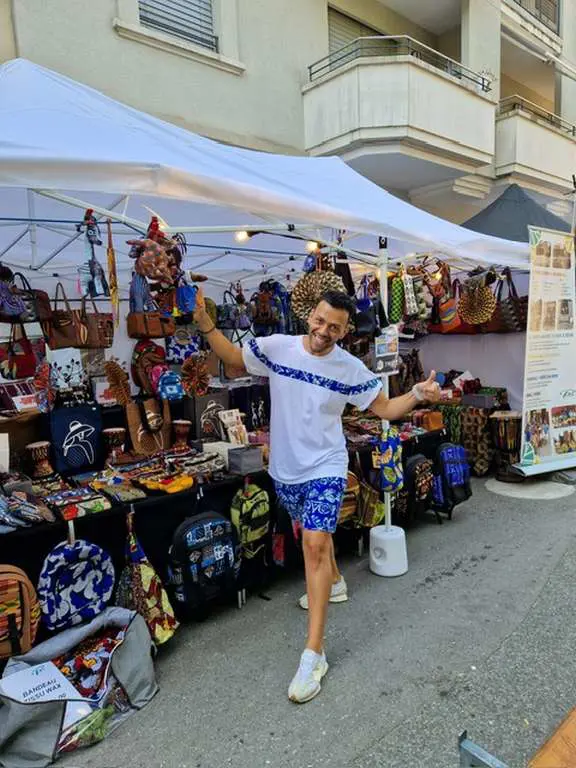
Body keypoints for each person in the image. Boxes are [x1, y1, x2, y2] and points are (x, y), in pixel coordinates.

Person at [194, 288, 440, 704]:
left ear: (345, 331)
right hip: (285, 470)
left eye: (335, 328)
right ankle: (335, 581)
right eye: (321, 321)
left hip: (326, 465)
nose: (324, 331)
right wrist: (205, 325)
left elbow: (383, 409)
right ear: (310, 315)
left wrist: (417, 394)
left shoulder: (348, 368)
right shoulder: (279, 348)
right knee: (316, 543)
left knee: (313, 543)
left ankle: (314, 655)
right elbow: (234, 358)